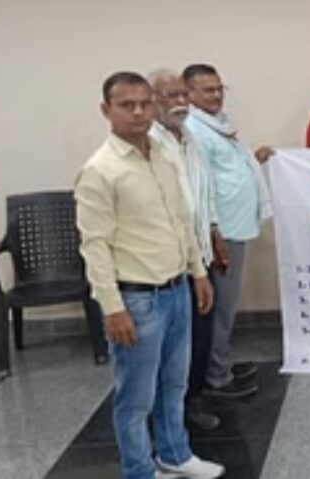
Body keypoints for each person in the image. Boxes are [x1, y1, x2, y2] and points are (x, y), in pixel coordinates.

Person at [75, 71, 223, 479]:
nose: (138, 112)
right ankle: (139, 470)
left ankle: (175, 453)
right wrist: (113, 308)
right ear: (106, 110)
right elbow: (95, 246)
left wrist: (198, 272)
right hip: (136, 299)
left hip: (177, 289)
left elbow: (181, 219)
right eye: (127, 105)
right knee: (136, 396)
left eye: (145, 103)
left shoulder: (163, 155)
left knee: (174, 384)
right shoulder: (100, 170)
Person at [184, 63, 272, 399]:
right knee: (220, 306)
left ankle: (221, 362)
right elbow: (201, 185)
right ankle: (216, 376)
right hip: (221, 233)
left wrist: (255, 161)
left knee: (225, 304)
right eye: (208, 90)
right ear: (189, 93)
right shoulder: (194, 129)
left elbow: (227, 169)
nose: (217, 94)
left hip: (235, 227)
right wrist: (214, 231)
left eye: (220, 88)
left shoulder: (217, 124)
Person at [148, 69, 223, 431]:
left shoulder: (189, 137)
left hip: (200, 254)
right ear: (153, 101)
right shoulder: (150, 143)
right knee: (172, 346)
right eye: (170, 96)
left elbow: (204, 193)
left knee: (199, 337)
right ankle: (169, 413)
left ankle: (191, 400)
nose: (179, 102)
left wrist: (214, 232)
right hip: (168, 264)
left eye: (182, 95)